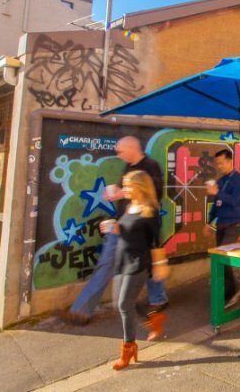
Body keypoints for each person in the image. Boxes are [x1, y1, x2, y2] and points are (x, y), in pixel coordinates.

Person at [62, 136, 168, 339]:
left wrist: (121, 195)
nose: (118, 156)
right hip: (124, 224)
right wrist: (116, 214)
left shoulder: (150, 166)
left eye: (120, 151)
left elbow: (153, 195)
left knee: (133, 278)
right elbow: (130, 195)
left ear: (131, 149)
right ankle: (82, 311)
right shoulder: (129, 167)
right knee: (122, 272)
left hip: (136, 227)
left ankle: (153, 309)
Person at [107, 170, 166, 370]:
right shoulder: (128, 206)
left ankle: (128, 347)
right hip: (122, 260)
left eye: (128, 185)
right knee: (121, 303)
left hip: (138, 262)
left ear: (140, 186)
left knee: (124, 304)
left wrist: (159, 266)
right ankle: (152, 318)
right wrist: (115, 228)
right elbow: (127, 230)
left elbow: (156, 241)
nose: (125, 189)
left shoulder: (150, 210)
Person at [204, 149, 240, 308]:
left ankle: (232, 291)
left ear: (230, 161)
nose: (219, 166)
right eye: (217, 163)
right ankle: (228, 291)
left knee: (222, 257)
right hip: (220, 224)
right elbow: (217, 204)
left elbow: (235, 201)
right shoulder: (221, 181)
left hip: (233, 225)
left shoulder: (238, 180)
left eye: (222, 163)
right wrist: (209, 222)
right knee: (222, 258)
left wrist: (218, 192)